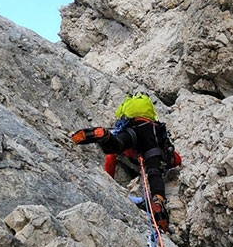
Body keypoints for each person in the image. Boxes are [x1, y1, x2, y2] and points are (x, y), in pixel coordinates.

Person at [71, 94, 181, 232]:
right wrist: (170, 160)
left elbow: (111, 156)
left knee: (117, 144)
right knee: (154, 171)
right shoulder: (151, 118)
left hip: (132, 130)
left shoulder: (127, 105)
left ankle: (104, 136)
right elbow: (177, 160)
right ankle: (158, 200)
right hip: (151, 134)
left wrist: (108, 182)